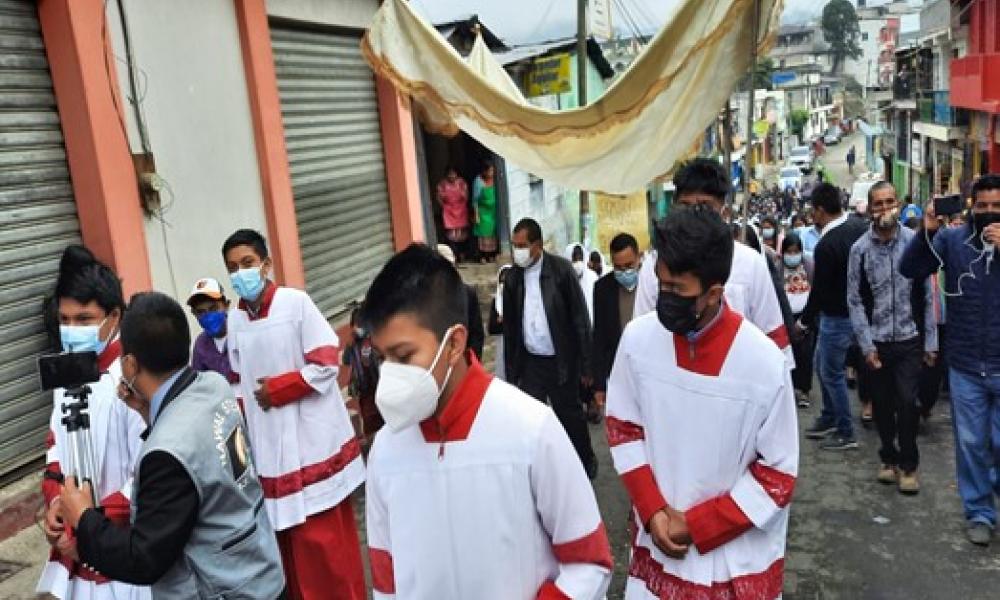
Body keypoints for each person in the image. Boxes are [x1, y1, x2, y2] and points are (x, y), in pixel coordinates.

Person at [361, 244, 612, 599]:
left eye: (403, 356)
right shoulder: (386, 450)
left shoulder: (530, 430)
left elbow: (589, 561)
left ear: (454, 344)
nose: (389, 374)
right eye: (382, 358)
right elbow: (387, 580)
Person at [606, 206, 798, 600]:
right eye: (662, 287)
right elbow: (623, 428)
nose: (666, 300)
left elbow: (777, 473)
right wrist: (653, 509)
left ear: (714, 293)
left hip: (730, 554)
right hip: (659, 541)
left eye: (679, 291)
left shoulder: (762, 363)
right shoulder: (638, 342)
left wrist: (698, 524)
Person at [57, 292, 285, 599]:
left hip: (222, 590)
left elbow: (143, 559)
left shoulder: (164, 455)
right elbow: (199, 456)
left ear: (130, 365)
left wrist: (84, 518)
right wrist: (145, 410)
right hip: (259, 572)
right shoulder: (215, 386)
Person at [222, 229, 365, 599]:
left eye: (248, 263)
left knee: (328, 548)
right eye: (233, 268)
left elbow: (327, 363)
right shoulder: (235, 320)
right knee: (289, 550)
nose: (241, 273)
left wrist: (280, 389)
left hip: (311, 439)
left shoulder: (295, 303)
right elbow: (239, 383)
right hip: (269, 445)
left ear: (266, 264)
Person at [37, 246, 149, 600]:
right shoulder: (67, 371)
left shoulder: (135, 376)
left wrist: (88, 522)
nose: (71, 330)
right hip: (76, 542)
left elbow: (148, 476)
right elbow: (55, 449)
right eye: (65, 320)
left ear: (114, 317)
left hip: (123, 541)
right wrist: (57, 505)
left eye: (84, 320)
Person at [900, 174, 1000, 546]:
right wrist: (926, 230)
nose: (989, 213)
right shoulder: (953, 240)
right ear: (971, 206)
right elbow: (909, 269)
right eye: (983, 205)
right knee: (972, 442)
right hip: (966, 364)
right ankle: (979, 511)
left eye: (996, 205)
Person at [634, 159, 793, 366]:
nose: (693, 216)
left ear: (723, 212)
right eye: (686, 206)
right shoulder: (654, 265)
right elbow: (642, 335)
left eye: (704, 208)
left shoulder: (750, 263)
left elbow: (773, 339)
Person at [847, 181, 938, 494]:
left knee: (908, 403)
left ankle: (909, 466)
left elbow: (927, 295)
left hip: (910, 340)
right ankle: (888, 458)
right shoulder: (859, 250)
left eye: (889, 202)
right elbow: (855, 300)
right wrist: (866, 344)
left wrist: (931, 342)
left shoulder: (915, 242)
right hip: (877, 342)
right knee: (883, 405)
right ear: (870, 208)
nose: (885, 209)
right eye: (878, 204)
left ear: (898, 204)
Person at [503, 218, 598, 478]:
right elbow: (511, 330)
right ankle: (539, 472)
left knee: (570, 416)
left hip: (561, 360)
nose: (517, 251)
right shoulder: (512, 278)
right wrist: (512, 372)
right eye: (514, 245)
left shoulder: (561, 271)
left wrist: (587, 365)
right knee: (531, 420)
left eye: (522, 245)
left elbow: (580, 319)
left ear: (537, 245)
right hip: (531, 362)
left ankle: (584, 461)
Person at [799, 183, 871, 450]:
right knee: (822, 365)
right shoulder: (859, 228)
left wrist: (804, 320)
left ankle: (845, 430)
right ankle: (830, 416)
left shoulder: (827, 244)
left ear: (819, 211)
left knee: (830, 373)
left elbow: (820, 290)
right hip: (858, 312)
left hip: (837, 316)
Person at [592, 233, 642, 420]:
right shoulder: (602, 289)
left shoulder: (653, 284)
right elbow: (599, 338)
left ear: (639, 258)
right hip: (619, 370)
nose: (624, 272)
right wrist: (599, 385)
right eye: (618, 268)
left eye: (629, 266)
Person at [781, 233, 815, 408]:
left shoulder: (809, 266)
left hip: (805, 317)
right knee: (788, 354)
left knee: (805, 355)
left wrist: (806, 319)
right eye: (789, 251)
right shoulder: (778, 268)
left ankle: (804, 390)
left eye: (796, 252)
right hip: (785, 318)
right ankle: (789, 388)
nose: (792, 255)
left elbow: (815, 291)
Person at [436, 244, 486, 360]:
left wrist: (472, 361)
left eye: (450, 265)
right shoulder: (427, 298)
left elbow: (477, 333)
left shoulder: (468, 293)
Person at [342, 305, 382, 443]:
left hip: (381, 389)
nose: (358, 327)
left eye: (361, 323)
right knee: (371, 427)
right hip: (365, 394)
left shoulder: (376, 338)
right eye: (356, 324)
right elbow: (346, 360)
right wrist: (349, 344)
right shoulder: (353, 344)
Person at [187, 277, 237, 384]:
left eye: (213, 309)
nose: (208, 316)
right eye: (201, 312)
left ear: (226, 305)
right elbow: (199, 386)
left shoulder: (242, 332)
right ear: (194, 314)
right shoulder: (201, 345)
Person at [436, 166, 470, 262]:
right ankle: (454, 255)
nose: (451, 176)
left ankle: (462, 255)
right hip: (449, 211)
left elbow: (466, 196)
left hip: (461, 210)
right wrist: (445, 206)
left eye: (453, 174)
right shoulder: (442, 184)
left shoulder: (462, 183)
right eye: (450, 174)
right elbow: (439, 197)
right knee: (451, 235)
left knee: (462, 234)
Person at [487, 264, 512, 380]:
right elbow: (492, 328)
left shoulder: (520, 299)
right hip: (501, 343)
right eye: (502, 279)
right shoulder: (496, 301)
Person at [566, 243, 599, 323]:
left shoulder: (592, 277)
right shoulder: (562, 278)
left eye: (580, 258)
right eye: (574, 258)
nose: (578, 262)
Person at [473, 162, 498, 263]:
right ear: (484, 171)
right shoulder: (478, 182)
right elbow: (475, 200)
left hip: (493, 212)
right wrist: (476, 215)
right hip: (483, 212)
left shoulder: (496, 180)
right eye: (489, 171)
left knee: (492, 234)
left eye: (492, 171)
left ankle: (491, 255)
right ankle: (482, 256)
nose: (491, 173)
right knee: (483, 235)